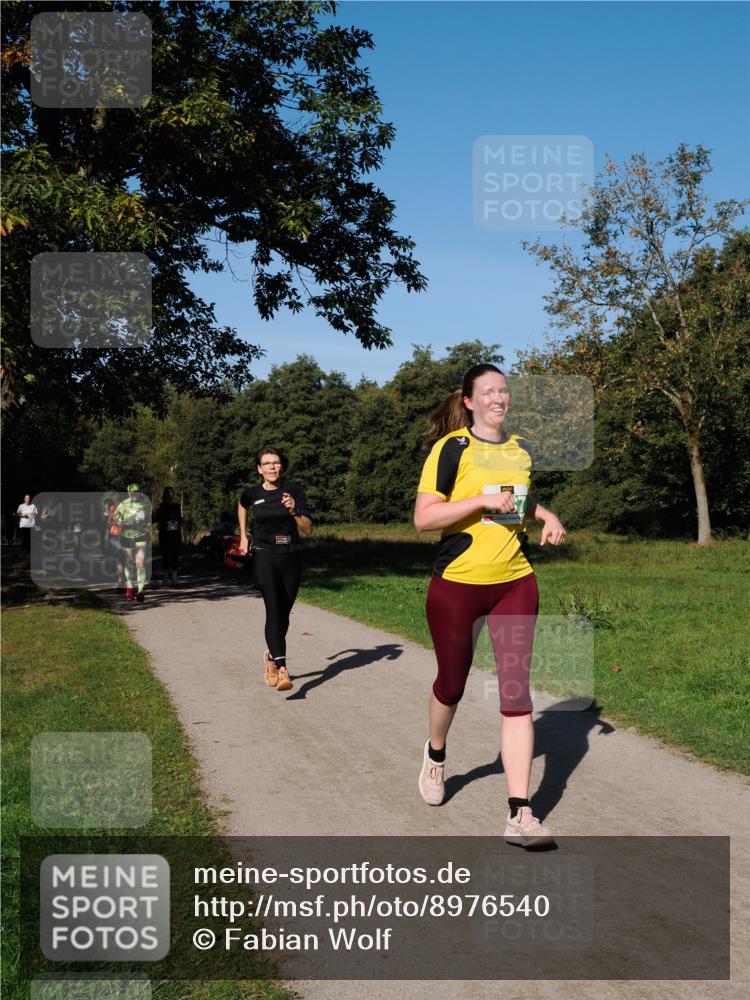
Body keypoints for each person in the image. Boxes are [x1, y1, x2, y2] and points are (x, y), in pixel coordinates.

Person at [414, 364, 566, 848]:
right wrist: (480, 500)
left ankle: (520, 813)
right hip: (457, 583)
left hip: (514, 583)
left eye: (504, 391)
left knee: (517, 694)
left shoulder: (521, 449)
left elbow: (515, 503)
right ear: (469, 401)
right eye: (489, 392)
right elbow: (424, 518)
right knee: (451, 684)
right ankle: (436, 754)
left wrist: (545, 514)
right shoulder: (451, 448)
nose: (499, 398)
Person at [238, 447, 313, 692]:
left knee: (284, 614)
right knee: (273, 609)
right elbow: (242, 505)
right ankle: (282, 669)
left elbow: (308, 529)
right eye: (267, 463)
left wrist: (293, 511)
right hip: (264, 556)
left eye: (276, 462)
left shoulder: (294, 491)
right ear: (259, 469)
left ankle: (271, 657)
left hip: (291, 556)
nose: (272, 467)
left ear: (282, 466)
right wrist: (243, 536)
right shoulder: (252, 493)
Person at [114, 483, 151, 602]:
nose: (136, 493)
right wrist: (125, 523)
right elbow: (115, 520)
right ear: (129, 493)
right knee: (129, 562)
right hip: (127, 536)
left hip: (141, 536)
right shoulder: (123, 505)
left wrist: (148, 526)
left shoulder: (145, 504)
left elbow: (149, 520)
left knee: (140, 562)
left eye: (138, 491)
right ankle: (129, 587)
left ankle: (140, 590)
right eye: (133, 491)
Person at [153, 487, 183, 585]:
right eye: (168, 492)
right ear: (164, 494)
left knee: (175, 555)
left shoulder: (177, 506)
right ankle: (165, 578)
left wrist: (176, 519)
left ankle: (174, 577)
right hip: (165, 533)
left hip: (175, 533)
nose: (170, 494)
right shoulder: (161, 506)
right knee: (165, 555)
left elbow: (180, 519)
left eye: (171, 492)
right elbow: (157, 518)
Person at [16, 493, 39, 559]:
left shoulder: (33, 506)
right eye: (26, 498)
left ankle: (28, 553)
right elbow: (18, 513)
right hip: (23, 525)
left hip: (31, 525)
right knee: (24, 539)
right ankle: (22, 552)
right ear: (24, 499)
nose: (27, 499)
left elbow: (36, 514)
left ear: (30, 499)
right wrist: (22, 515)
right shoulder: (21, 506)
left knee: (29, 539)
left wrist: (32, 515)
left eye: (28, 498)